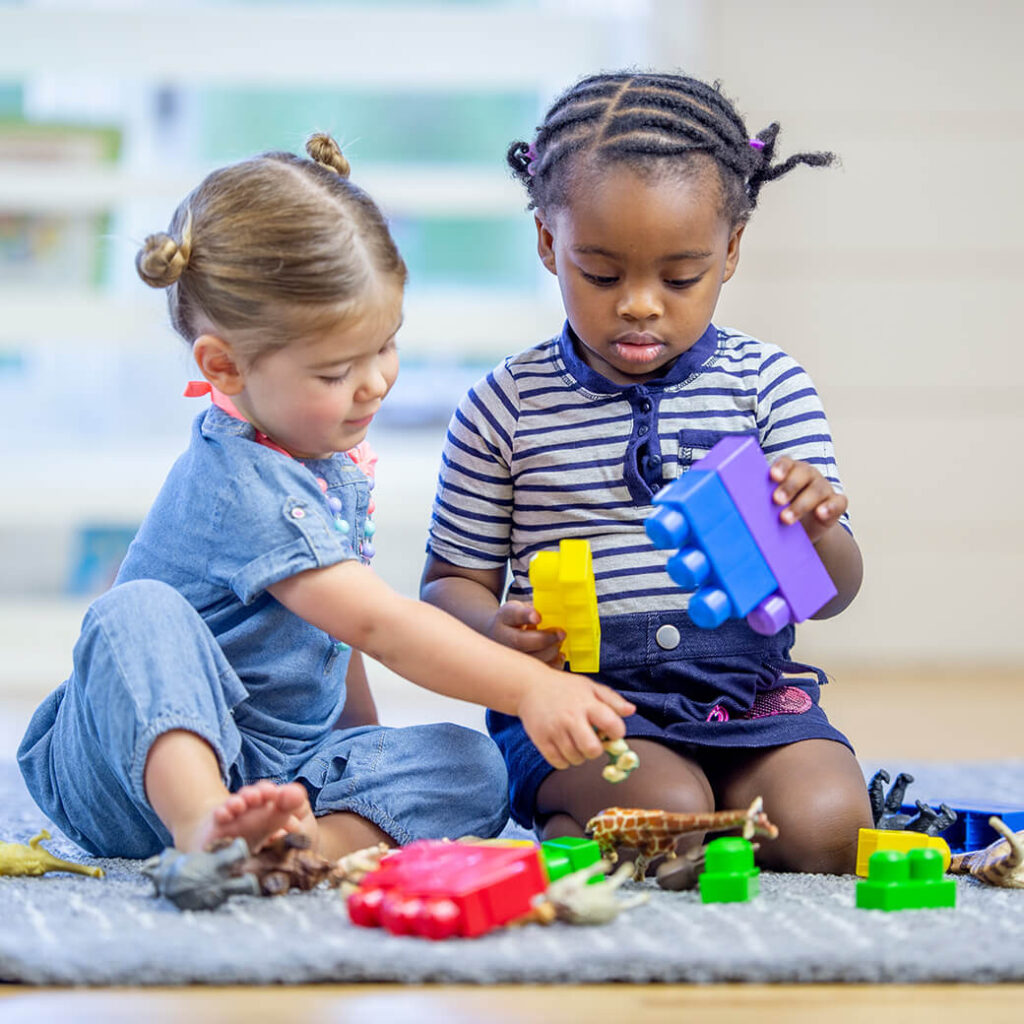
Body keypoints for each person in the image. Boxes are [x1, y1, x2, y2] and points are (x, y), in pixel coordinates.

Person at [17, 133, 633, 862]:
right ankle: (204, 830)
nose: (375, 382)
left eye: (387, 345)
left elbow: (337, 640)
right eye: (339, 369)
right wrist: (531, 687)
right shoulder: (237, 480)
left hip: (274, 770)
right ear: (225, 365)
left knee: (476, 767)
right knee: (134, 610)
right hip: (128, 770)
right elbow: (380, 625)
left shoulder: (325, 462)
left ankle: (302, 843)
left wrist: (362, 760)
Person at [421, 72, 873, 874]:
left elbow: (831, 595)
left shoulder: (768, 384)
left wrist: (816, 530)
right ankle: (595, 812)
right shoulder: (504, 405)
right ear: (547, 243)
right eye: (602, 275)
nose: (638, 304)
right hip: (584, 705)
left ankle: (705, 810)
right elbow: (449, 586)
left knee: (829, 827)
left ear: (729, 252)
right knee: (667, 817)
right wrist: (497, 634)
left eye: (678, 277)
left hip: (751, 692)